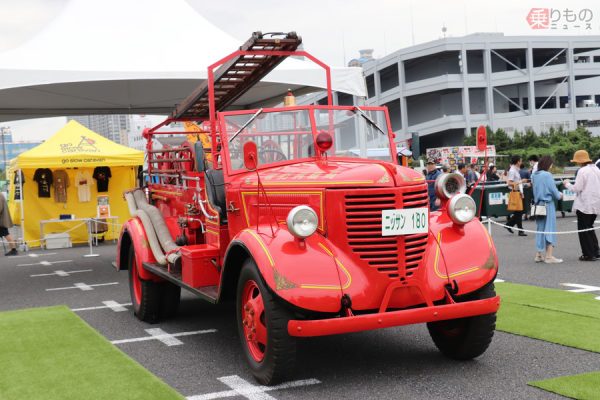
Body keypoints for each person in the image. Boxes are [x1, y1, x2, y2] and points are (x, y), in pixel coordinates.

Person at [563, 150, 600, 261]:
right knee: (590, 227)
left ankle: (588, 254)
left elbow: (577, 188)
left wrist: (567, 183)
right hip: (596, 203)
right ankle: (596, 251)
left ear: (579, 161)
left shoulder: (582, 171)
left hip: (584, 204)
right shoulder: (597, 169)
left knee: (583, 230)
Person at [532, 156, 563, 263]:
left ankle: (539, 254)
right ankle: (549, 256)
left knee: (540, 229)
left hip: (538, 205)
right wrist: (560, 195)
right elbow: (554, 192)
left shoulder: (534, 175)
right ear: (548, 164)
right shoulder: (547, 175)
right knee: (550, 228)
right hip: (548, 204)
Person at [506, 155, 527, 236]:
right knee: (519, 211)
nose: (521, 162)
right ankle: (519, 230)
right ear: (518, 162)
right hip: (515, 192)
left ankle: (509, 225)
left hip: (518, 191)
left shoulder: (516, 169)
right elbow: (509, 183)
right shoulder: (512, 170)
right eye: (520, 161)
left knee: (519, 211)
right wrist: (521, 181)